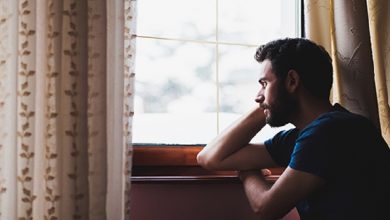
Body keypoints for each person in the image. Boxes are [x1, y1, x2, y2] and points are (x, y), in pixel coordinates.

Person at [196, 38, 390, 220]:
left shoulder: (332, 131)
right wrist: (268, 103)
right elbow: (210, 158)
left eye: (264, 84)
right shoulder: (303, 135)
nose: (257, 97)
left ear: (292, 81)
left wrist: (247, 172)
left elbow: (266, 209)